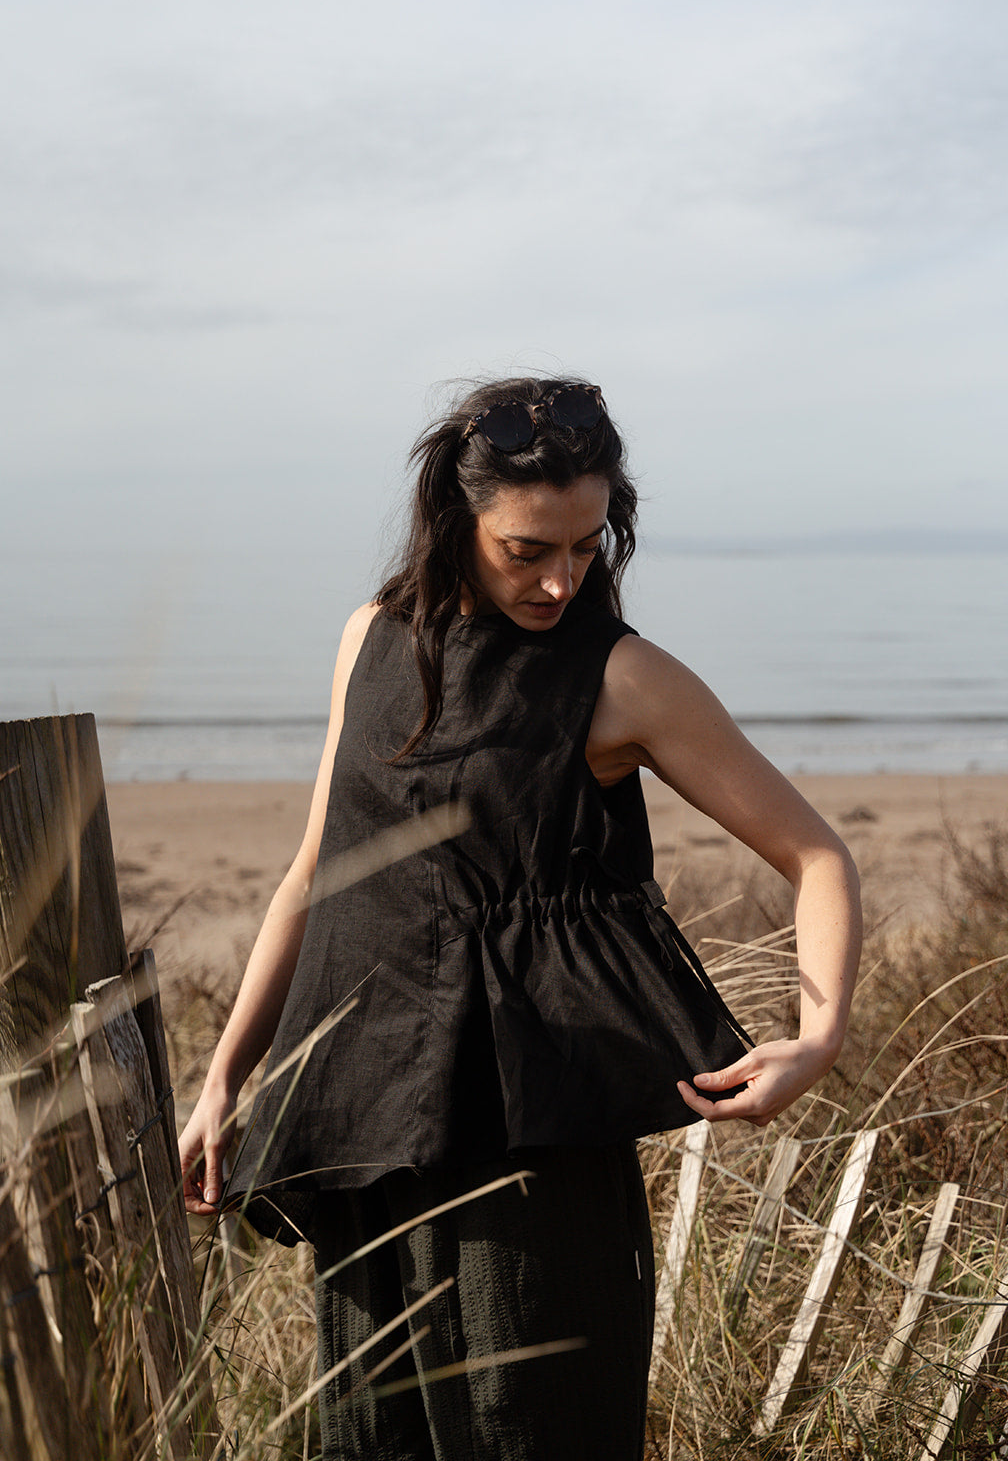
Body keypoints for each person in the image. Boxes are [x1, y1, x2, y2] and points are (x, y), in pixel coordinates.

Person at [179, 375, 862, 1461]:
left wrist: (815, 1037)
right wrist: (225, 1077)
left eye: (585, 547)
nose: (558, 579)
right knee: (366, 1443)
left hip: (527, 1147)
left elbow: (813, 852)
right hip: (364, 1129)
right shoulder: (371, 639)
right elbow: (315, 875)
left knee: (528, 1436)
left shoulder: (621, 677)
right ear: (456, 522)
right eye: (525, 549)